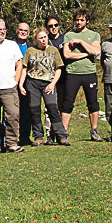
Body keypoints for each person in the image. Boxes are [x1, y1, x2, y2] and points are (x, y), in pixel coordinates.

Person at [18, 28, 65, 145]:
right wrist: (20, 84)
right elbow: (25, 69)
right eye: (40, 38)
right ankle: (38, 136)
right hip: (32, 83)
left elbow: (58, 69)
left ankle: (61, 135)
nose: (43, 40)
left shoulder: (53, 50)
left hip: (48, 82)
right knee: (34, 109)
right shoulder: (30, 51)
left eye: (45, 37)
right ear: (36, 39)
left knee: (52, 108)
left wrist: (53, 83)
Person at [61, 10, 102, 141]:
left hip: (89, 74)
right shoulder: (68, 35)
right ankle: (64, 133)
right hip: (72, 74)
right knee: (67, 104)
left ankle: (94, 131)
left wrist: (80, 42)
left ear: (87, 21)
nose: (78, 22)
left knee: (93, 103)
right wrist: (86, 54)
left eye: (82, 20)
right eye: (77, 20)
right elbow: (67, 54)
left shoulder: (94, 35)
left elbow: (96, 51)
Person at [0, 19, 24, 154]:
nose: (2, 32)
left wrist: (15, 81)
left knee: (13, 115)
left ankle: (12, 143)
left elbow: (19, 64)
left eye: (4, 29)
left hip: (9, 88)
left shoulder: (12, 45)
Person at [44, 15, 66, 144]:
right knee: (49, 107)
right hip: (49, 77)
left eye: (55, 25)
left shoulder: (65, 38)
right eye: (50, 26)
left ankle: (61, 132)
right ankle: (49, 133)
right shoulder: (45, 41)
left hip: (64, 77)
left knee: (62, 106)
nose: (53, 28)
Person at [15, 22, 32, 145]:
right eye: (21, 30)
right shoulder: (10, 45)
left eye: (25, 30)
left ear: (29, 33)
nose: (23, 32)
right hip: (12, 81)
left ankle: (25, 137)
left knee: (27, 110)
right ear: (17, 31)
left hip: (28, 82)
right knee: (11, 111)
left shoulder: (32, 47)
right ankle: (9, 137)